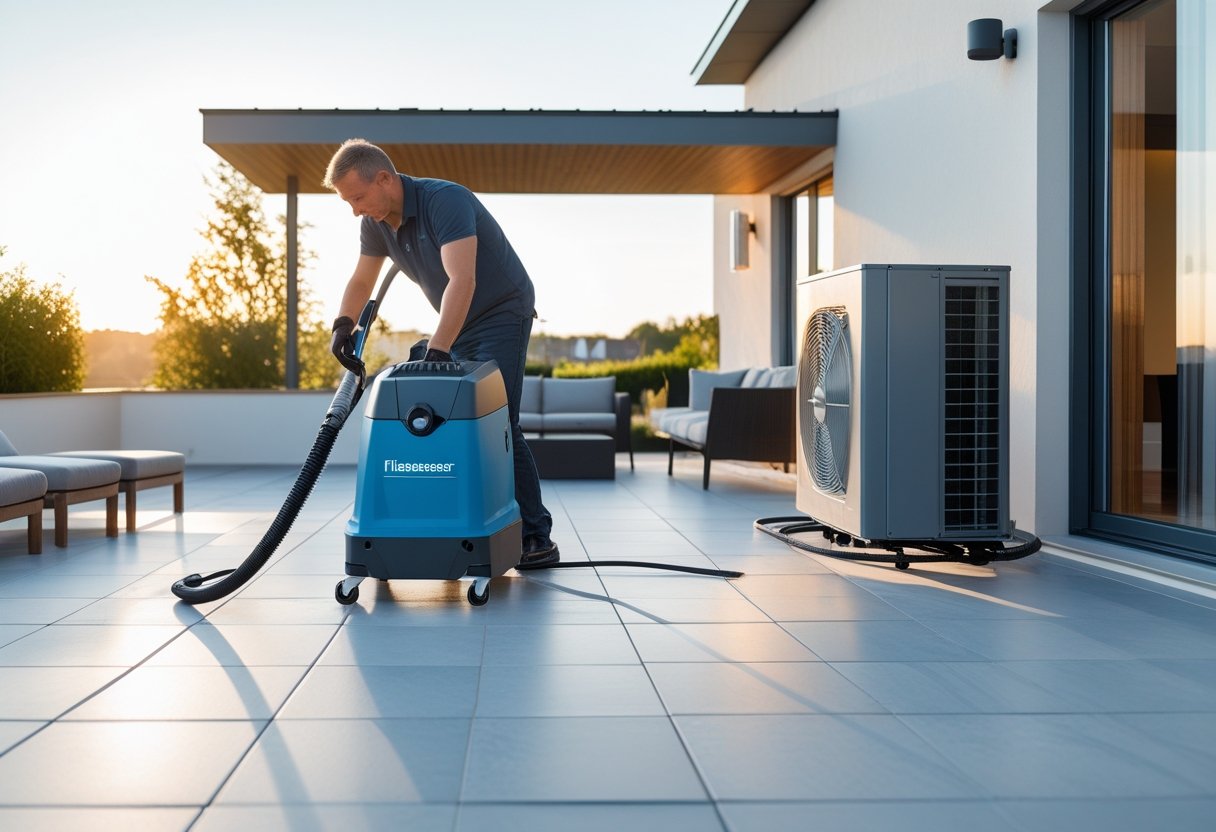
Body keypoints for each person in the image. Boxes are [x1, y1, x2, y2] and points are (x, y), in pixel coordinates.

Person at [323, 138, 558, 567]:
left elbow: (462, 280)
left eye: (357, 197)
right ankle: (453, 523)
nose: (355, 209)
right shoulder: (374, 224)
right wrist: (343, 324)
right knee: (437, 409)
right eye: (348, 202)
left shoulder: (445, 200)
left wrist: (439, 348)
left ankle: (535, 535)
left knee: (499, 418)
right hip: (457, 318)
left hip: (501, 310)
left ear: (384, 179)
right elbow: (362, 281)